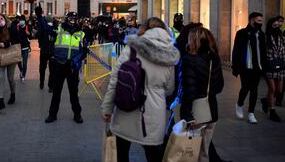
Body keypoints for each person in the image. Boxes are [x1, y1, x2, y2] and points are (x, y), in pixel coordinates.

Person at [101, 17, 179, 162]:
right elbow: (169, 88)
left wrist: (107, 108)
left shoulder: (132, 49)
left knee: (121, 153)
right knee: (153, 154)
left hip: (127, 107)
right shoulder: (170, 54)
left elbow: (115, 80)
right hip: (153, 113)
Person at [180, 27, 224, 162]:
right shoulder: (214, 58)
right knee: (204, 153)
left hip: (195, 113)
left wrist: (186, 114)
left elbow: (189, 91)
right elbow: (220, 86)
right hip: (211, 111)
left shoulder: (189, 59)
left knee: (191, 153)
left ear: (192, 40)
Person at [45, 12, 85, 124]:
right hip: (60, 64)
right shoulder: (59, 29)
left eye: (75, 19)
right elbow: (48, 31)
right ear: (67, 19)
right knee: (56, 92)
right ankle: (52, 114)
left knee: (74, 93)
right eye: (71, 19)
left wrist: (76, 62)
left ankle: (77, 114)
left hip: (72, 67)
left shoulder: (80, 33)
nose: (73, 21)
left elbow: (83, 51)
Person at [233, 12, 267, 124]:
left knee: (254, 90)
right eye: (259, 21)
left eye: (261, 21)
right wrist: (235, 67)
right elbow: (236, 51)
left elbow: (263, 52)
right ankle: (239, 104)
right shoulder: (242, 33)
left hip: (258, 67)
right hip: (246, 66)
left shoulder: (261, 34)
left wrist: (264, 66)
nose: (261, 23)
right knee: (245, 88)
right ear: (252, 20)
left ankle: (251, 113)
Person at [259, 17, 285, 122]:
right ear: (270, 25)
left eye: (278, 25)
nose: (277, 27)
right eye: (274, 25)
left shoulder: (282, 37)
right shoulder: (265, 37)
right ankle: (272, 111)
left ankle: (265, 101)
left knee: (279, 91)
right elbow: (262, 54)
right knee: (272, 89)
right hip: (270, 66)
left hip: (281, 66)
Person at [0, 14, 17, 110]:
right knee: (0, 78)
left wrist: (6, 44)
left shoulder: (11, 28)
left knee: (10, 78)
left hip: (10, 56)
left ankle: (12, 94)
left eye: (1, 19)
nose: (0, 21)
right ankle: (1, 100)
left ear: (5, 19)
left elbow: (18, 40)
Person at [35, 6, 56, 91]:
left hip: (48, 51)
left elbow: (38, 35)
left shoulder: (49, 28)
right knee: (47, 69)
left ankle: (47, 84)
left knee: (47, 69)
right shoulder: (46, 28)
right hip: (48, 50)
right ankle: (45, 83)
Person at [16, 16, 31, 83]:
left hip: (25, 47)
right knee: (18, 62)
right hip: (19, 47)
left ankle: (23, 76)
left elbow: (31, 35)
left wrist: (28, 33)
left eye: (22, 20)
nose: (21, 21)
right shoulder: (17, 27)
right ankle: (21, 71)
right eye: (20, 20)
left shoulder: (27, 27)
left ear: (24, 21)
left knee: (25, 63)